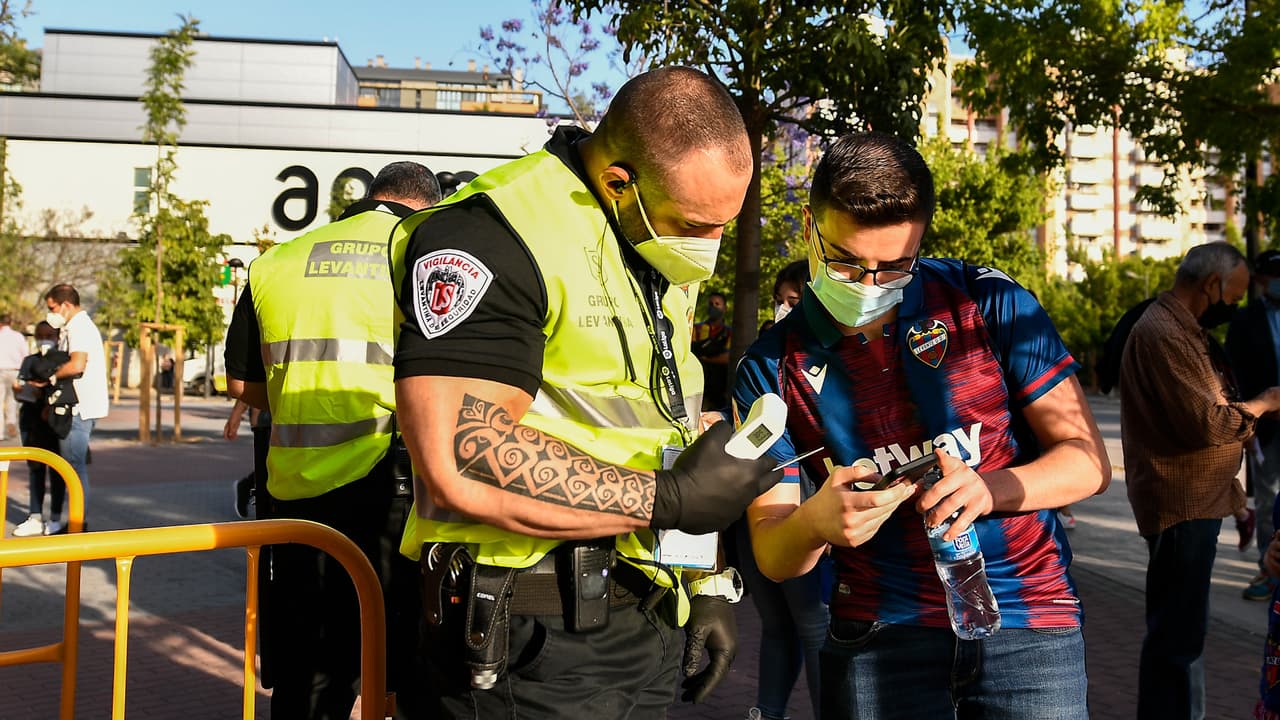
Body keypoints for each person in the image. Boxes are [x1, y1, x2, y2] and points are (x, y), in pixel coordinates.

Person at [389, 65, 782, 719]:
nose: (709, 248)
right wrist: (673, 500)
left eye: (723, 227)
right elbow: (460, 456)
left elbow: (663, 433)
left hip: (644, 622)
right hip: (529, 639)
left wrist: (707, 579)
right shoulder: (491, 236)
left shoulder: (649, 248)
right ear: (618, 183)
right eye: (694, 223)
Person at [735, 132, 1111, 720]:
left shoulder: (987, 302)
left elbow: (1087, 461)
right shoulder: (768, 364)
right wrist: (815, 522)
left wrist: (992, 489)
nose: (868, 285)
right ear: (809, 225)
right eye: (845, 261)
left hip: (1028, 621)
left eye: (894, 267)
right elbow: (775, 553)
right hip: (879, 637)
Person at [225, 161, 442, 719]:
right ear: (424, 205)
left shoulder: (277, 262)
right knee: (411, 663)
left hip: (294, 497)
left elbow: (241, 383)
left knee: (309, 667)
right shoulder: (425, 252)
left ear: (371, 196)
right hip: (394, 492)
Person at [1119, 242, 1280, 720]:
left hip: (1196, 504)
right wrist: (1266, 402)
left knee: (1182, 635)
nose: (1234, 307)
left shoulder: (1184, 330)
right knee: (1177, 639)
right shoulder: (1164, 333)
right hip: (1179, 507)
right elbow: (1208, 423)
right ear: (1211, 286)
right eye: (1232, 296)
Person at [734, 259, 829, 720]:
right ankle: (766, 712)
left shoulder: (829, 366)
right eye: (781, 301)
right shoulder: (762, 361)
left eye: (795, 301)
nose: (784, 310)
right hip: (763, 514)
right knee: (782, 625)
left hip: (806, 511)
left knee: (812, 626)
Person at [1228, 249, 1280, 601]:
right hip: (1267, 424)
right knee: (1268, 499)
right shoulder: (1245, 321)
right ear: (1260, 281)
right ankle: (1269, 568)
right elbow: (1234, 375)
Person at [42, 283, 108, 532]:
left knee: (73, 468)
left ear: (66, 305)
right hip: (81, 406)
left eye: (53, 308)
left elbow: (77, 364)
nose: (51, 313)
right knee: (73, 466)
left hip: (77, 408)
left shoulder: (79, 326)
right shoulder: (78, 326)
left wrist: (52, 375)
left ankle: (77, 524)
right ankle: (76, 521)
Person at [10, 321, 67, 537]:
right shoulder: (29, 361)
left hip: (52, 421)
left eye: (49, 335)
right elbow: (19, 387)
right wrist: (20, 391)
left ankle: (54, 518)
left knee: (56, 471)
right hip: (30, 419)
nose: (45, 339)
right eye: (40, 335)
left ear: (57, 337)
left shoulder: (62, 360)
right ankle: (35, 515)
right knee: (35, 469)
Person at [692, 291, 733, 411]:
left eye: (717, 304)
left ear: (725, 308)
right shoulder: (696, 329)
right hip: (698, 384)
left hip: (721, 387)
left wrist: (705, 358)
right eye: (711, 304)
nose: (713, 307)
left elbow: (729, 358)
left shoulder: (730, 332)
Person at [0, 312, 28, 440]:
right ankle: (11, 421)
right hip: (15, 370)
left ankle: (0, 432)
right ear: (10, 323)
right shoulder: (18, 336)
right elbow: (25, 355)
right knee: (12, 399)